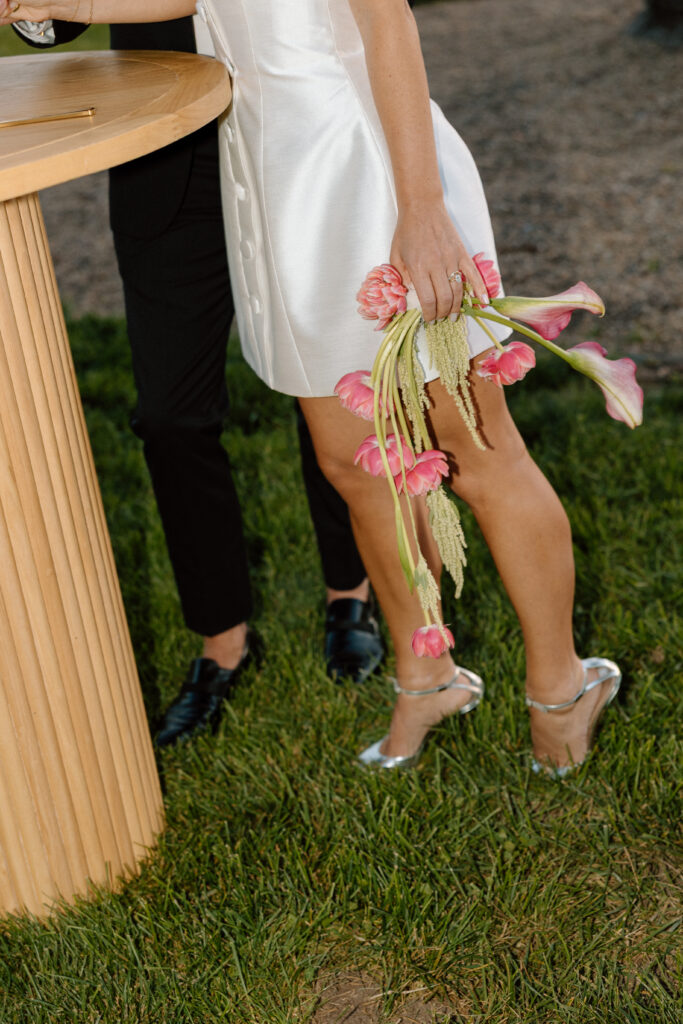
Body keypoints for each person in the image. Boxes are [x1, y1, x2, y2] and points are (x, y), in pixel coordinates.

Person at [2, 0, 622, 777]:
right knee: (360, 469)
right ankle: (424, 677)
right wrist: (66, 4)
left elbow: (388, 22)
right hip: (274, 190)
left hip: (362, 175)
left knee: (476, 452)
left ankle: (562, 687)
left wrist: (422, 208)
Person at [10, 11, 385, 747]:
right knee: (169, 416)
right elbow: (51, 20)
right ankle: (221, 640)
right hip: (168, 153)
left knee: (323, 382)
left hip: (292, 139)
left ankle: (351, 592)